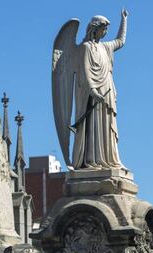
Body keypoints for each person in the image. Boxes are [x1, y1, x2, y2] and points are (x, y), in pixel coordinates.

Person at [52, 10, 128, 170]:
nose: (105, 32)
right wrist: (94, 91)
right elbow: (86, 72)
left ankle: (108, 159)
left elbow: (121, 41)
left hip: (107, 91)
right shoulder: (85, 48)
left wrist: (124, 20)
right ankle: (92, 159)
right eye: (103, 29)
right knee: (93, 126)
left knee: (106, 125)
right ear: (94, 29)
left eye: (107, 29)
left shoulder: (106, 47)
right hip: (90, 95)